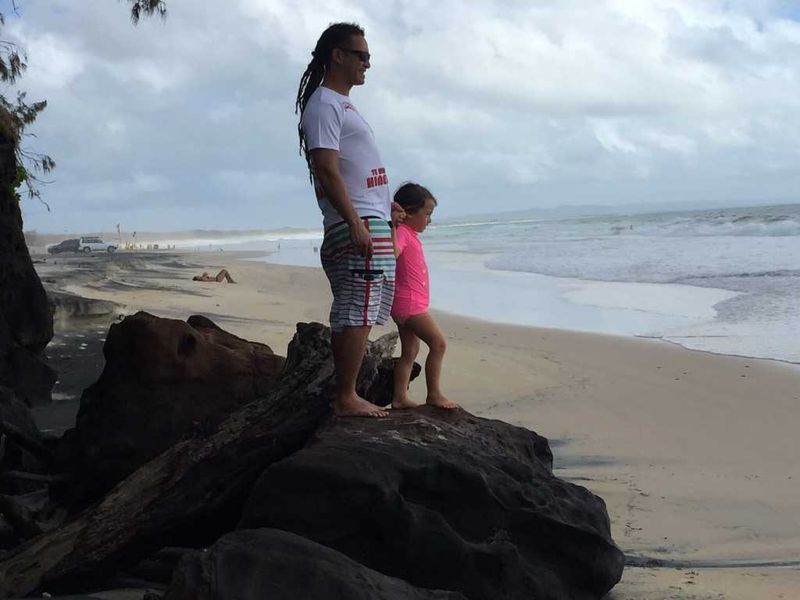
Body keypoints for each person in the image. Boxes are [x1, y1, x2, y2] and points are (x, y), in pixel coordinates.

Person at [296, 23, 404, 417]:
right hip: (356, 223)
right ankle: (346, 396)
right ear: (337, 55)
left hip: (371, 218)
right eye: (362, 56)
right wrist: (356, 220)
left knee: (367, 305)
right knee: (356, 307)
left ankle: (348, 393)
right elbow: (326, 168)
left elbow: (353, 167)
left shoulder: (341, 104)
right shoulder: (324, 103)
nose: (368, 64)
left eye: (369, 57)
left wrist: (385, 206)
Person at [391, 183, 457, 410]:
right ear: (408, 212)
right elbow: (393, 252)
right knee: (438, 344)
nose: (429, 220)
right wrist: (394, 224)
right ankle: (434, 394)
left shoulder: (409, 234)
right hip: (410, 304)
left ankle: (399, 398)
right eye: (427, 214)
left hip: (405, 302)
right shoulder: (402, 232)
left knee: (410, 351)